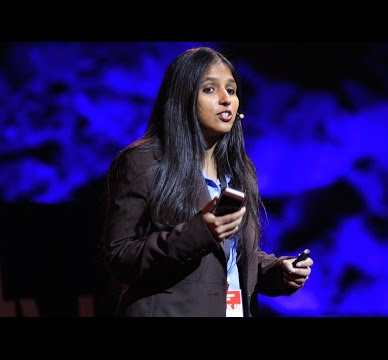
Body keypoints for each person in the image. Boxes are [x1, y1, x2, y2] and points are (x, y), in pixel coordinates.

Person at [101, 46, 313, 317]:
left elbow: (230, 257)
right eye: (210, 89)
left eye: (232, 90)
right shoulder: (143, 162)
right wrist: (197, 232)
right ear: (183, 99)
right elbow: (120, 257)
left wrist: (277, 271)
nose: (226, 99)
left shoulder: (239, 169)